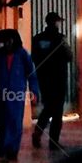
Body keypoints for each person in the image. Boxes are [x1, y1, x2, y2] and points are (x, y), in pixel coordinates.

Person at [0, 29, 39, 162]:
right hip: (1, 94)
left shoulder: (23, 54)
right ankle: (3, 146)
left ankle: (12, 149)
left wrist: (34, 92)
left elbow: (32, 75)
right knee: (2, 122)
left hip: (17, 94)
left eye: (10, 40)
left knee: (15, 122)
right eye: (6, 41)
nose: (8, 43)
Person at [31, 12, 72, 151]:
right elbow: (69, 56)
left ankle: (38, 132)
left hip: (43, 78)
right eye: (58, 21)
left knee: (48, 107)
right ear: (55, 23)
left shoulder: (37, 39)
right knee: (57, 110)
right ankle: (53, 141)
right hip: (58, 78)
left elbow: (34, 57)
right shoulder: (60, 38)